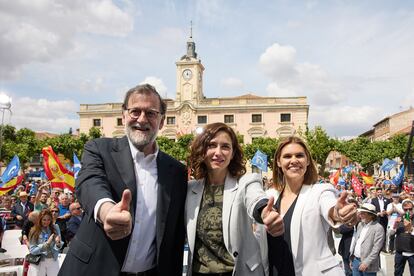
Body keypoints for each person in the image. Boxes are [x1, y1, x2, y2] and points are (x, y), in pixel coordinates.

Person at [59, 84, 188, 276]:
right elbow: (89, 181)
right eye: (135, 111)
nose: (142, 119)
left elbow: (174, 236)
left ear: (161, 122)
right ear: (124, 115)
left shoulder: (176, 171)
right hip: (93, 270)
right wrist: (106, 211)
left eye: (151, 113)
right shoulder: (99, 148)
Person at [185, 122, 282, 276]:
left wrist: (264, 212)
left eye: (225, 147)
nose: (218, 152)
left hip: (238, 271)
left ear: (232, 153)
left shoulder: (246, 181)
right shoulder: (190, 189)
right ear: (202, 151)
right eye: (211, 145)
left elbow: (255, 198)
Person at [266, 136, 357, 275]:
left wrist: (338, 213)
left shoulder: (320, 191)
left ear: (307, 161)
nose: (294, 160)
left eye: (299, 155)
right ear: (278, 162)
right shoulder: (269, 195)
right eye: (287, 156)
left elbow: (330, 208)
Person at [349, 203, 384, 276]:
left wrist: (366, 263)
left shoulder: (378, 228)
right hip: (356, 260)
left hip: (369, 264)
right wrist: (352, 259)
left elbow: (376, 249)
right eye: (360, 213)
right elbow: (356, 242)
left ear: (371, 215)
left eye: (363, 213)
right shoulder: (360, 224)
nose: (360, 215)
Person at [28, 209, 63, 276]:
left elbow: (59, 246)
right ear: (40, 219)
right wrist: (46, 244)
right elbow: (32, 250)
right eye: (44, 219)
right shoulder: (34, 230)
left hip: (53, 260)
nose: (47, 222)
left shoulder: (55, 227)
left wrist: (58, 244)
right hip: (39, 261)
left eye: (49, 220)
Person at [392, 199, 414, 276]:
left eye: (410, 209)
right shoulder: (398, 217)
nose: (408, 211)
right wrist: (395, 223)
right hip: (400, 252)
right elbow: (390, 233)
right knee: (397, 273)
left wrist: (410, 229)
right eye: (406, 209)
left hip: (412, 252)